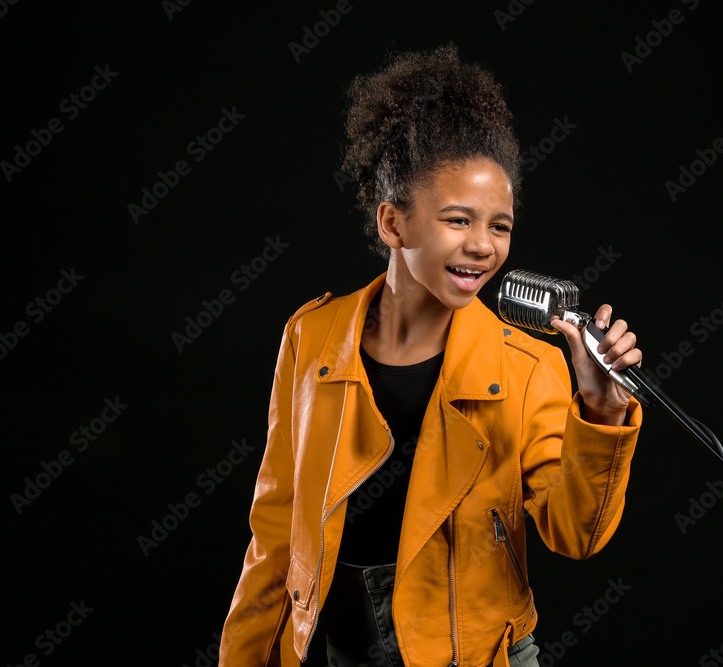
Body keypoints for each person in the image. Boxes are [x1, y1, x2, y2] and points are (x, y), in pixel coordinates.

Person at [218, 44, 643, 667]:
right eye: (457, 219)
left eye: (500, 225)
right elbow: (276, 529)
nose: (482, 246)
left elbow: (576, 535)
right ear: (394, 224)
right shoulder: (311, 340)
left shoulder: (529, 367)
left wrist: (602, 414)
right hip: (344, 650)